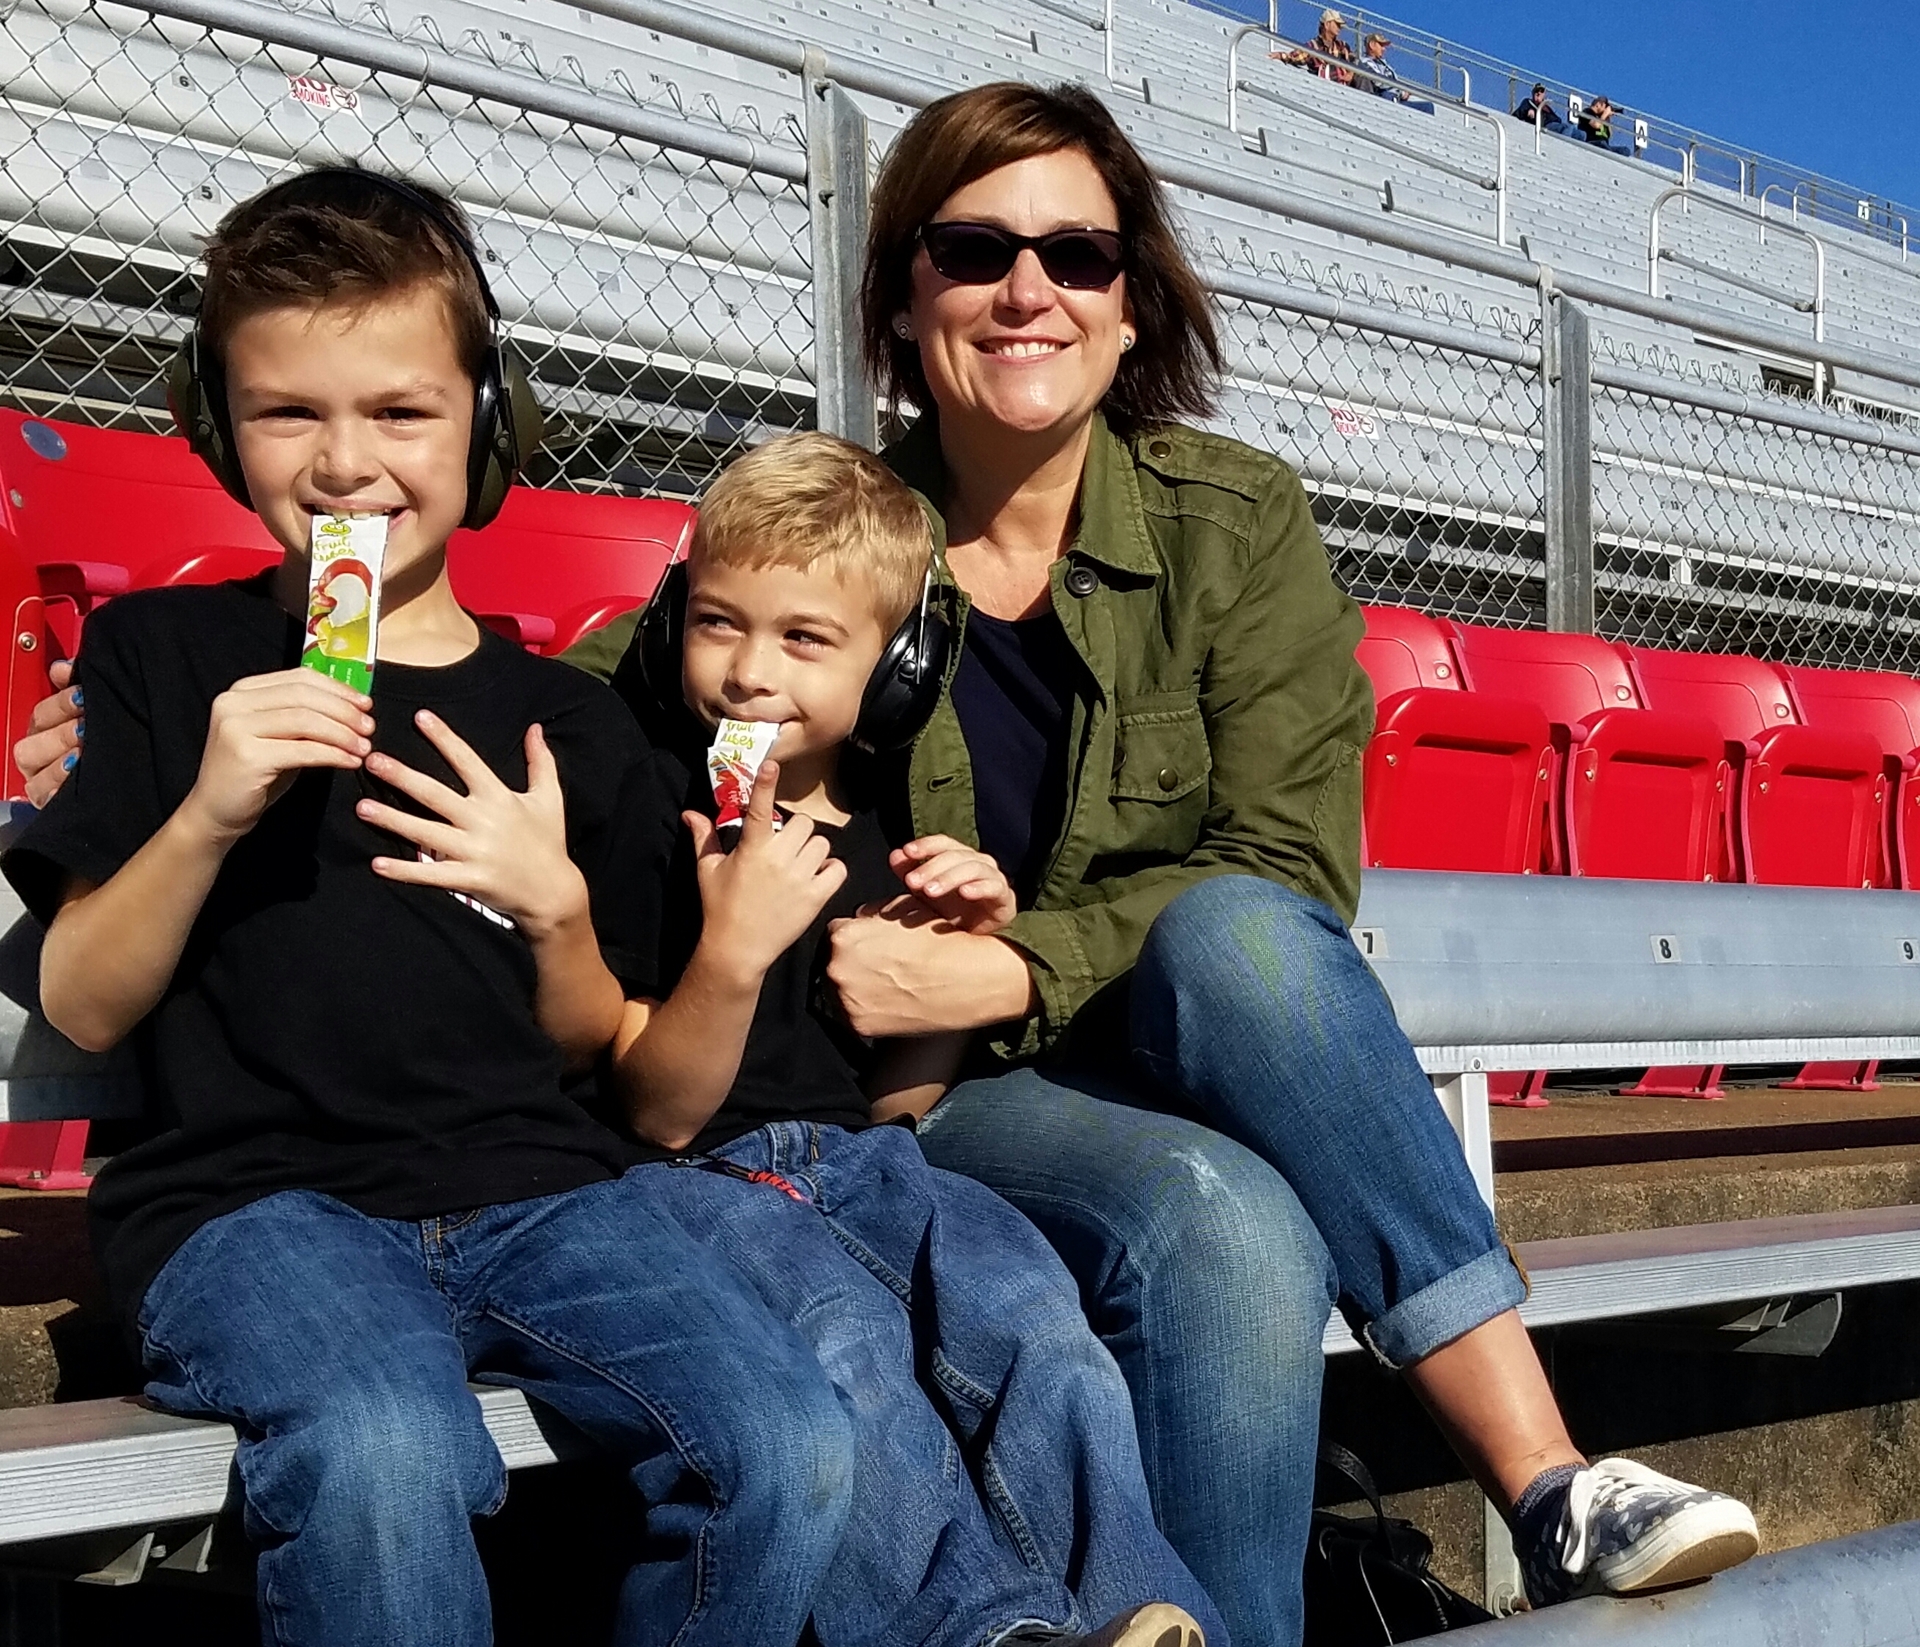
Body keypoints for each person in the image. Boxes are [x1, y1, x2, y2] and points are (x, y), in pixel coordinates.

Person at [17, 87, 1764, 1647]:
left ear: (1132, 292)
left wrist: (1007, 959)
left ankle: (1488, 1495)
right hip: (813, 1107)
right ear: (902, 297)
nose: (1029, 287)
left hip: (1047, 1039)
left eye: (1077, 250)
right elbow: (654, 736)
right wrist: (169, 775)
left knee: (1238, 1026)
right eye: (973, 247)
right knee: (1159, 1249)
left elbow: (1291, 866)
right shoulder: (777, 557)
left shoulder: (1232, 522)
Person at [0, 166, 861, 1647]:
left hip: (546, 1193)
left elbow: (626, 1068)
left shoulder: (570, 726)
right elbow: (80, 998)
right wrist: (211, 804)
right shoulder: (160, 655)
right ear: (220, 429)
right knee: (386, 1442)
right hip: (251, 1207)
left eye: (400, 411)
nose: (345, 465)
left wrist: (556, 913)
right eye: (288, 412)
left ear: (487, 419)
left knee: (792, 1439)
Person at [584, 429, 1218, 1647]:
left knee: (1029, 1308)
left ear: (897, 670)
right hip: (686, 1180)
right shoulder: (641, 801)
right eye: (720, 624)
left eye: (805, 639)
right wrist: (732, 934)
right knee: (849, 1345)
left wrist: (959, 944)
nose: (749, 674)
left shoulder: (878, 832)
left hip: (865, 1164)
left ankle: (1139, 1608)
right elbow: (637, 1099)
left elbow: (894, 1106)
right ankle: (980, 1631)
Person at [1276, 8, 1353, 84]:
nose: (1339, 28)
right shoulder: (1313, 46)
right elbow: (1296, 57)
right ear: (1327, 24)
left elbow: (1355, 62)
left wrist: (1351, 74)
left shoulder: (1342, 45)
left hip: (1345, 86)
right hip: (1326, 85)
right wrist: (1281, 55)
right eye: (1337, 24)